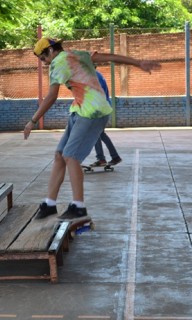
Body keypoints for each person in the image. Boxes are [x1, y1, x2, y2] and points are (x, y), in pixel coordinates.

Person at [24, 37, 160, 220]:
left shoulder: (57, 63)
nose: (44, 62)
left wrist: (32, 121)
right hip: (81, 110)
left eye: (43, 58)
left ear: (50, 51)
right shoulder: (78, 54)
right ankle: (50, 203)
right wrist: (137, 62)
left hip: (92, 112)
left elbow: (51, 97)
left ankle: (78, 206)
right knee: (60, 154)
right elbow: (110, 57)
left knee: (70, 156)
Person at [88, 70, 122, 167]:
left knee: (96, 134)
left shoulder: (93, 77)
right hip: (103, 107)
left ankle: (102, 159)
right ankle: (114, 157)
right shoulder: (98, 75)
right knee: (100, 134)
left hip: (99, 109)